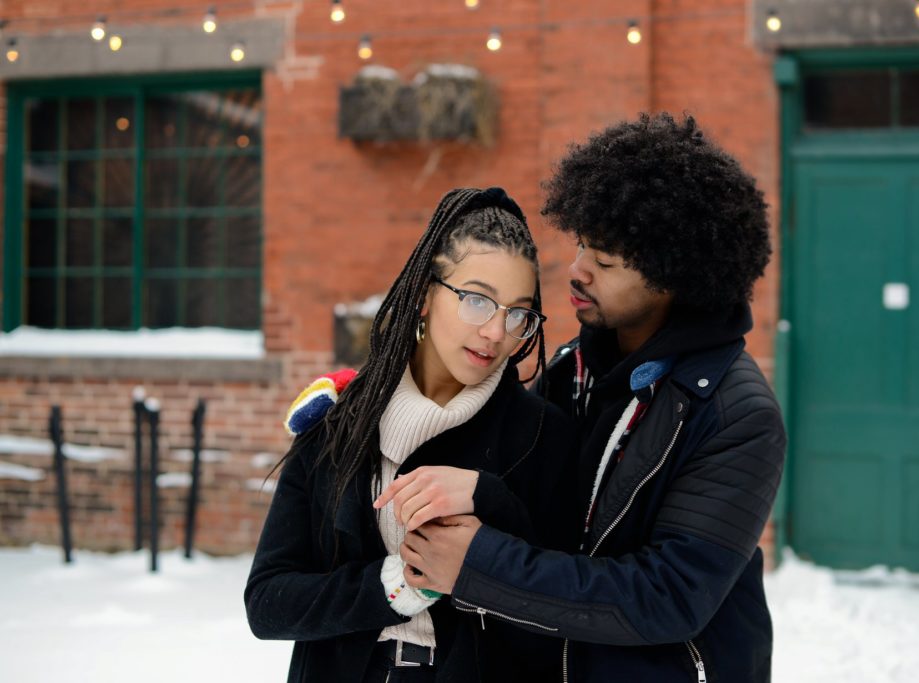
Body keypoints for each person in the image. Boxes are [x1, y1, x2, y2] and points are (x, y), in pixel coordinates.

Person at [387, 113, 787, 682]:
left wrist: (478, 567)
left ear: (672, 276)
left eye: (604, 263)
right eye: (581, 245)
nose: (576, 270)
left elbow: (667, 597)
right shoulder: (573, 364)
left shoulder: (736, 416)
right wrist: (375, 398)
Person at [244, 187, 578, 683]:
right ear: (425, 293)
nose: (495, 331)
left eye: (517, 313)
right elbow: (268, 603)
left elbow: (568, 606)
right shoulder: (340, 420)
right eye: (476, 300)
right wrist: (391, 587)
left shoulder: (543, 435)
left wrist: (490, 508)